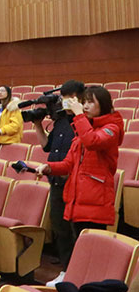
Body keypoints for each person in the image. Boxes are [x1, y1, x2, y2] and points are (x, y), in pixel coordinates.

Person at [36, 86, 124, 237]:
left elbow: (92, 141)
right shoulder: (83, 131)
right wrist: (49, 168)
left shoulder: (112, 128)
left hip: (95, 201)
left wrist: (78, 115)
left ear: (103, 104)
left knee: (92, 246)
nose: (85, 106)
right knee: (77, 243)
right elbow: (69, 164)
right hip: (78, 201)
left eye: (90, 102)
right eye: (84, 102)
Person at [32, 80, 86, 286]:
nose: (66, 102)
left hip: (76, 184)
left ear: (80, 98)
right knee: (60, 228)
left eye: (71, 97)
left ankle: (80, 273)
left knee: (76, 230)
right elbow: (47, 146)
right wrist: (37, 125)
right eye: (64, 98)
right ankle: (66, 270)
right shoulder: (61, 121)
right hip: (56, 181)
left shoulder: (85, 122)